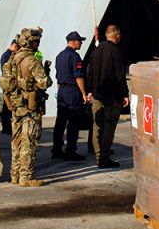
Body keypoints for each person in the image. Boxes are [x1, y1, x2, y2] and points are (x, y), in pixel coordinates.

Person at [0, 27, 50, 187]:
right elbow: (43, 83)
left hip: (16, 106)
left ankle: (14, 174)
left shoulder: (12, 58)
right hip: (30, 107)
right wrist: (47, 78)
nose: (38, 44)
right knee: (29, 141)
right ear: (31, 42)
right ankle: (26, 177)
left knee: (16, 141)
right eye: (37, 41)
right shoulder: (31, 60)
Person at [85, 24, 128, 169]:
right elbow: (120, 75)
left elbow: (89, 73)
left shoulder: (96, 51)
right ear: (117, 36)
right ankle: (104, 157)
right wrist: (125, 94)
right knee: (109, 126)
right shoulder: (115, 51)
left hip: (97, 94)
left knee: (97, 125)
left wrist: (90, 90)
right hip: (111, 96)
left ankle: (98, 155)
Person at [52, 31, 89, 161]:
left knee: (60, 122)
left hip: (62, 90)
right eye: (79, 41)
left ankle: (56, 149)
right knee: (73, 122)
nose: (81, 43)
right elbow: (78, 76)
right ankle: (70, 151)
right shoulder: (75, 56)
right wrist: (84, 94)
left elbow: (57, 77)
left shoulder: (59, 56)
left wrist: (60, 92)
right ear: (73, 42)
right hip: (72, 91)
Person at [0, 38, 19, 135]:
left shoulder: (6, 55)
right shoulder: (8, 56)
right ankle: (7, 128)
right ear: (14, 46)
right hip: (8, 85)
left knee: (6, 107)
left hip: (7, 84)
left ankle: (6, 128)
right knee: (8, 107)